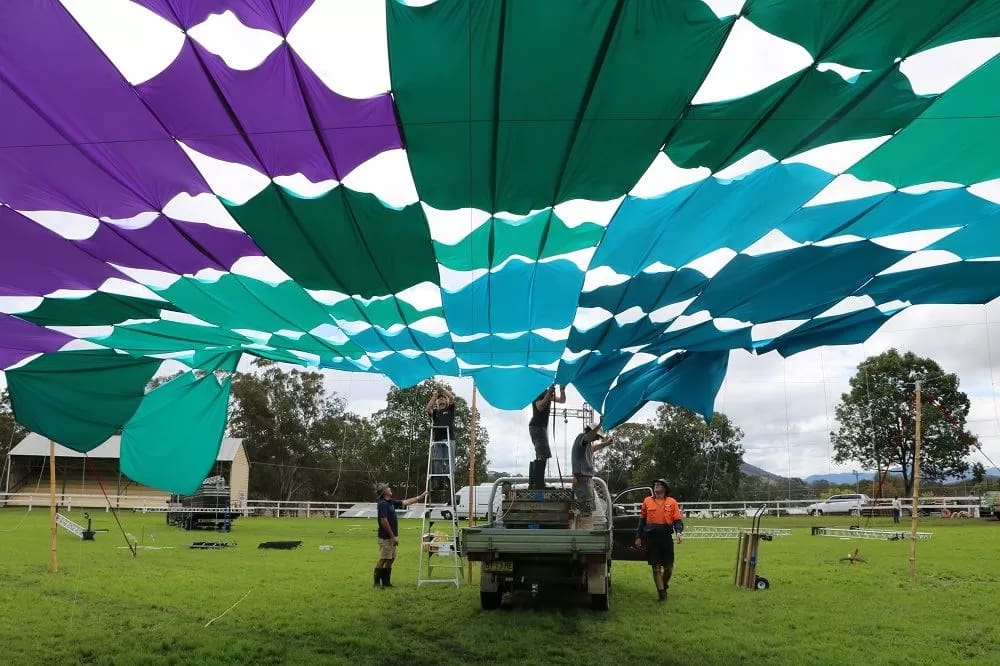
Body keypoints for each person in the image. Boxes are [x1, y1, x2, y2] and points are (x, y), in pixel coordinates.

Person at [634, 479, 684, 602]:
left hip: (666, 538)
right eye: (655, 484)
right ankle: (661, 593)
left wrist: (678, 532)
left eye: (659, 484)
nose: (656, 486)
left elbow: (677, 520)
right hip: (651, 538)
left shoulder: (672, 502)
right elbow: (642, 520)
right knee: (656, 568)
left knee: (669, 567)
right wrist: (638, 536)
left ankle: (664, 584)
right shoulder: (647, 501)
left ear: (665, 488)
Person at [374, 483, 427, 589]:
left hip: (392, 536)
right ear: (384, 492)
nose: (390, 488)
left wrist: (421, 497)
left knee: (391, 558)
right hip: (386, 537)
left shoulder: (391, 502)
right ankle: (376, 583)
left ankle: (386, 583)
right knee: (384, 558)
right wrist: (392, 536)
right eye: (387, 488)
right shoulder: (383, 504)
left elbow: (406, 502)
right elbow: (384, 521)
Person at [570, 425, 614, 529]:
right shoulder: (582, 438)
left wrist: (605, 444)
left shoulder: (587, 445)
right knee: (586, 511)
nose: (596, 439)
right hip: (583, 480)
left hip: (584, 480)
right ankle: (585, 535)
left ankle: (581, 532)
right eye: (597, 436)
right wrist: (600, 424)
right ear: (591, 432)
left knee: (584, 510)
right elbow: (588, 437)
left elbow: (593, 448)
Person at [527, 384, 565, 488]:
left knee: (541, 454)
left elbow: (562, 400)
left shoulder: (544, 392)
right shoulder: (537, 392)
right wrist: (549, 393)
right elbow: (539, 406)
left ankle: (534, 483)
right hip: (537, 426)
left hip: (540, 427)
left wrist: (562, 389)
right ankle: (539, 484)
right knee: (543, 453)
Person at [425, 388, 456, 495]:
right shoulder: (435, 413)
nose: (441, 399)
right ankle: (439, 481)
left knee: (449, 461)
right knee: (437, 461)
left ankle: (448, 480)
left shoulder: (450, 410)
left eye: (443, 398)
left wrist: (443, 389)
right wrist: (434, 397)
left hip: (449, 439)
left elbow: (451, 397)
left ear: (447, 401)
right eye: (440, 399)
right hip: (437, 440)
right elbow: (428, 408)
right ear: (437, 402)